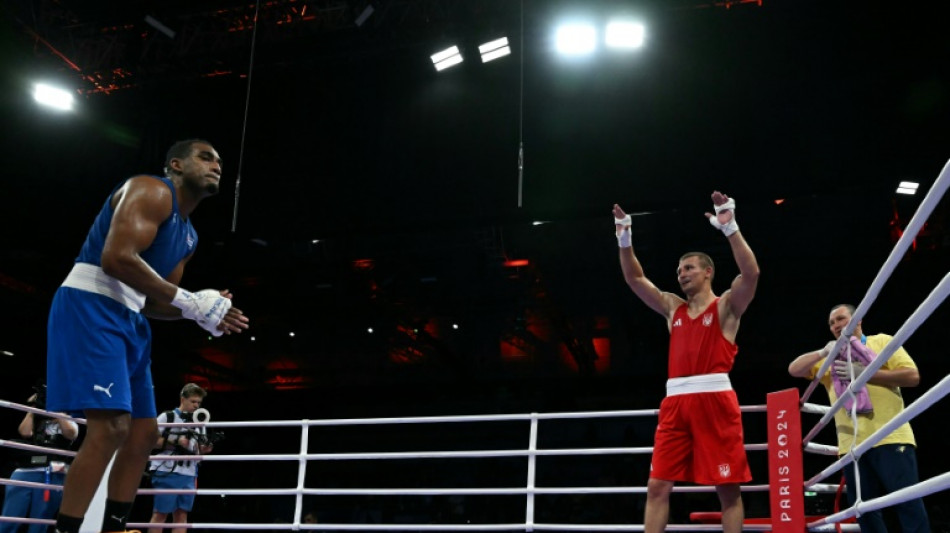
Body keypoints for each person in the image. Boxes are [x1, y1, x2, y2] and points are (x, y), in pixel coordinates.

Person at [45, 139, 250, 533]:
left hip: (131, 317)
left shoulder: (188, 236)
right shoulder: (151, 189)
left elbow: (158, 302)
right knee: (112, 427)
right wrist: (190, 302)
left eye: (220, 161)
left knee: (144, 433)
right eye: (206, 157)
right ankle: (66, 530)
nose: (217, 165)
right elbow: (117, 257)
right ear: (176, 164)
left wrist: (207, 314)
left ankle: (114, 527)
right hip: (91, 303)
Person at [613, 191, 760, 533]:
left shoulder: (725, 307)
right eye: (679, 270)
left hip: (715, 401)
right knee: (657, 486)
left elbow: (751, 274)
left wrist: (731, 228)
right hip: (675, 403)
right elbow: (635, 279)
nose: (681, 273)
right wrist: (624, 238)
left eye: (689, 268)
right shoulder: (671, 308)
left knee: (727, 488)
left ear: (708, 272)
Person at [788, 304, 929, 533]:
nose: (836, 326)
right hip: (851, 448)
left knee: (908, 504)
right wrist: (824, 353)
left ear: (858, 319)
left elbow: (912, 376)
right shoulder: (831, 359)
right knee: (865, 512)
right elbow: (794, 368)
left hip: (890, 437)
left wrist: (866, 374)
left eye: (841, 319)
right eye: (832, 323)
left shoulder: (881, 342)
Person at [1, 386, 79, 533]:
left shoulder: (71, 421)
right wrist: (35, 408)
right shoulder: (39, 419)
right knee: (9, 519)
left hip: (53, 472)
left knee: (39, 523)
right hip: (26, 469)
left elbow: (71, 433)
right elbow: (24, 432)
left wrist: (56, 409)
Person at [147, 384, 214, 533]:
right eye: (193, 401)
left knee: (182, 515)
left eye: (199, 403)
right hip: (167, 470)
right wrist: (175, 441)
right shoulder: (168, 417)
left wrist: (204, 449)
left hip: (189, 473)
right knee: (160, 514)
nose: (196, 406)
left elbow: (197, 449)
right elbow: (149, 440)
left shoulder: (199, 421)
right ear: (182, 399)